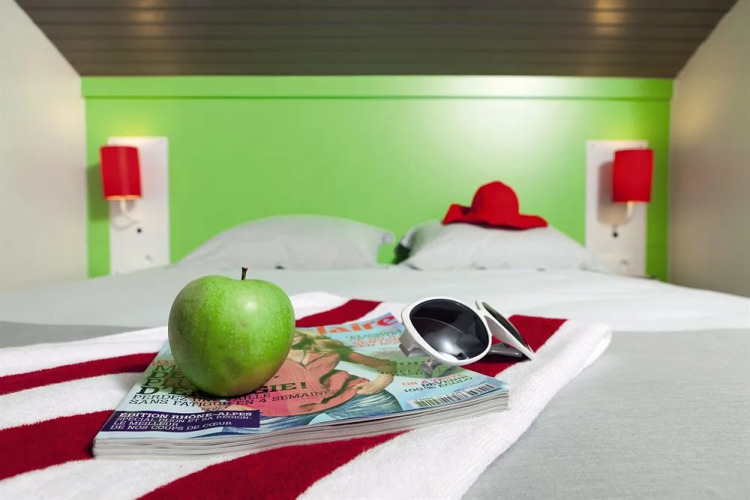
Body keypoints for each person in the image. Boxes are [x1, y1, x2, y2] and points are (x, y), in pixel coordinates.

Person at [192, 329, 401, 431]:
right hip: (274, 412)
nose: (291, 333)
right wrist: (221, 408)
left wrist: (381, 381)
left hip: (350, 397)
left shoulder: (325, 348)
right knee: (239, 449)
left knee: (393, 428)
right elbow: (196, 387)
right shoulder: (246, 356)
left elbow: (384, 364)